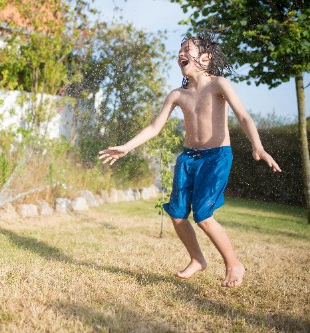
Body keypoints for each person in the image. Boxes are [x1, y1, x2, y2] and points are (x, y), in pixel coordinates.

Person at [98, 33, 281, 288]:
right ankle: (197, 259)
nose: (181, 53)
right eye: (180, 49)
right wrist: (126, 148)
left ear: (205, 57)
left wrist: (257, 146)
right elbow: (154, 127)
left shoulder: (219, 85)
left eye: (187, 48)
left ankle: (233, 263)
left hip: (216, 157)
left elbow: (243, 117)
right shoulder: (177, 95)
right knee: (177, 214)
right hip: (188, 158)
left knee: (203, 215)